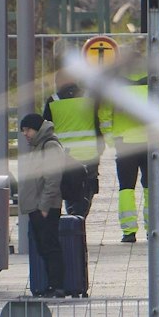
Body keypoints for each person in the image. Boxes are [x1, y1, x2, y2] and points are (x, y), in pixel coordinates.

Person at [98, 70, 159, 244]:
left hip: (124, 143)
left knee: (126, 187)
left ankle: (128, 232)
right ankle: (151, 230)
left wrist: (111, 139)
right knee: (150, 187)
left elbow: (105, 114)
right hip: (150, 143)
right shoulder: (157, 82)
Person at [18, 112, 74, 296]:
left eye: (28, 130)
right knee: (43, 246)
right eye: (23, 130)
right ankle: (51, 284)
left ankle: (56, 285)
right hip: (37, 206)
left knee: (50, 246)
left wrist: (43, 206)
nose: (25, 134)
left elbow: (52, 179)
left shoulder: (49, 146)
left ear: (37, 129)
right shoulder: (37, 146)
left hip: (45, 207)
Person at [43, 78, 100, 218]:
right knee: (88, 186)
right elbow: (99, 122)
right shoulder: (90, 98)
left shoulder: (53, 101)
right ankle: (80, 216)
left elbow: (46, 129)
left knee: (69, 187)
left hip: (65, 155)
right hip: (89, 152)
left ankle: (73, 217)